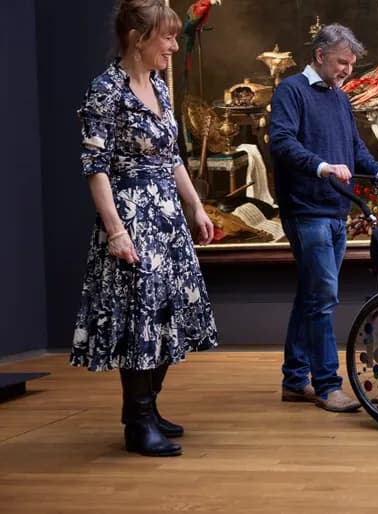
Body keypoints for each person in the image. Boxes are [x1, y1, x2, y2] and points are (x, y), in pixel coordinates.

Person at [70, 0, 218, 457]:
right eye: (168, 38)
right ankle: (136, 420)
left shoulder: (158, 86)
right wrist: (116, 232)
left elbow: (171, 156)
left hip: (168, 216)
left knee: (169, 314)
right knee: (141, 318)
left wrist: (195, 206)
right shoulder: (106, 90)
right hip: (132, 216)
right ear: (138, 39)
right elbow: (95, 169)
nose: (175, 46)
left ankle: (149, 407)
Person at [269, 24, 378, 412]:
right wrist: (322, 166)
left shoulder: (339, 99)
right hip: (306, 210)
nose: (347, 70)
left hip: (335, 212)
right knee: (323, 297)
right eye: (342, 62)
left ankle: (295, 379)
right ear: (320, 55)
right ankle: (327, 386)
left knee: (312, 294)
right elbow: (281, 141)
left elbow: (355, 149)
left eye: (351, 64)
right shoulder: (291, 91)